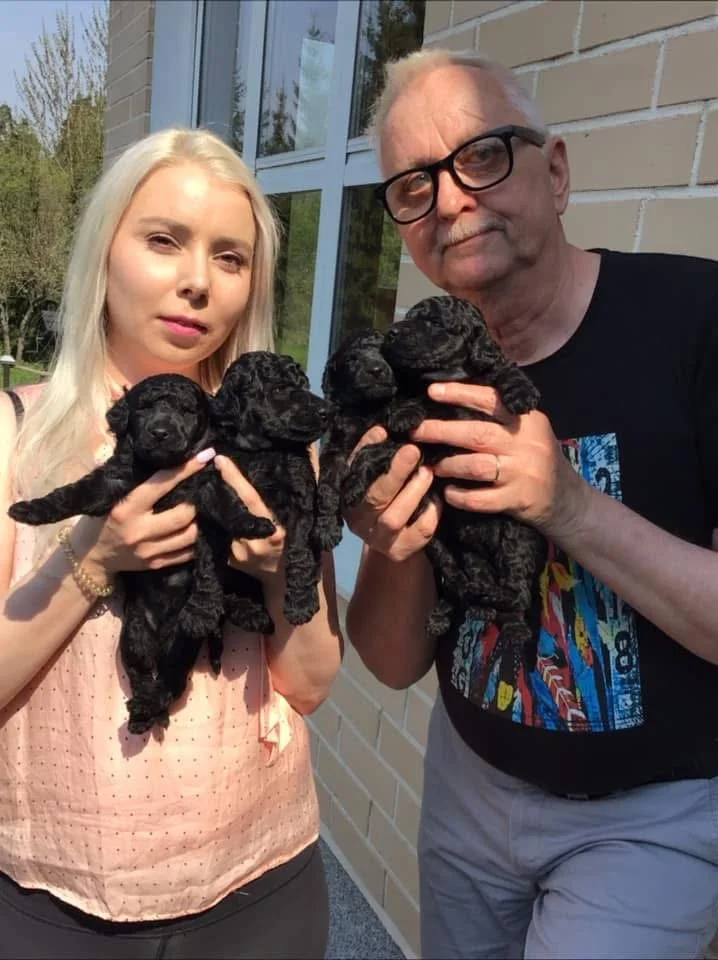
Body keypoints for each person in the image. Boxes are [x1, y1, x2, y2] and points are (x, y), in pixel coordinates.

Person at [345, 48, 718, 960]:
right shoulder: (411, 375)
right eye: (414, 185)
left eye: (482, 156)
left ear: (555, 173)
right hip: (467, 782)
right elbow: (392, 666)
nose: (452, 199)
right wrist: (393, 540)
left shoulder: (693, 317)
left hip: (651, 815)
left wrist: (569, 504)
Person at [0, 127, 342, 959]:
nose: (197, 282)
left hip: (260, 882)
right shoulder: (17, 434)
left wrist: (273, 575)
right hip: (59, 895)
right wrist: (93, 563)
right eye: (164, 241)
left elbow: (312, 682)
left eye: (230, 258)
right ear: (104, 252)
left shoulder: (276, 446)